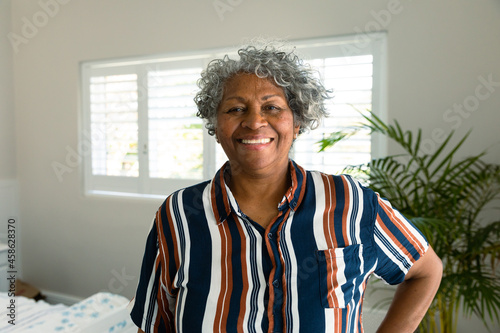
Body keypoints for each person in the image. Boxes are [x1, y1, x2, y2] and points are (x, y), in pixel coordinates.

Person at [129, 41, 443, 333]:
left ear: (297, 121)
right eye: (236, 109)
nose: (254, 122)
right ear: (215, 124)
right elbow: (154, 320)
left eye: (272, 107)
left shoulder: (351, 202)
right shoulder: (179, 213)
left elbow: (425, 272)